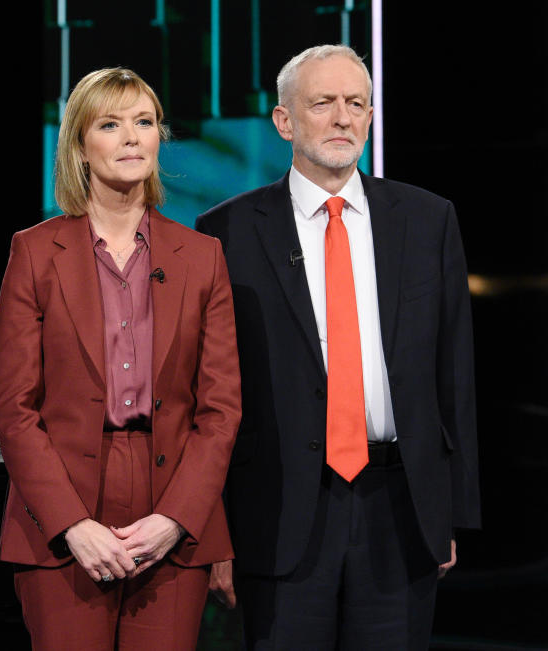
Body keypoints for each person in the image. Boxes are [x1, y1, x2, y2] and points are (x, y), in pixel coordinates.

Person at [196, 45, 481, 649]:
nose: (342, 117)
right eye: (323, 103)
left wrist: (449, 511)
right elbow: (209, 393)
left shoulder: (429, 220)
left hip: (402, 509)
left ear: (372, 116)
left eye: (356, 103)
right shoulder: (224, 233)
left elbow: (453, 372)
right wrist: (212, 531)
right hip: (276, 514)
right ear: (284, 121)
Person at [0, 67, 242, 650]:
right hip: (63, 503)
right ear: (81, 144)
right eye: (110, 124)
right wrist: (72, 524)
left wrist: (175, 519)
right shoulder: (33, 252)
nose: (132, 137)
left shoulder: (203, 257)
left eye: (144, 122)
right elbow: (14, 409)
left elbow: (221, 409)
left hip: (170, 502)